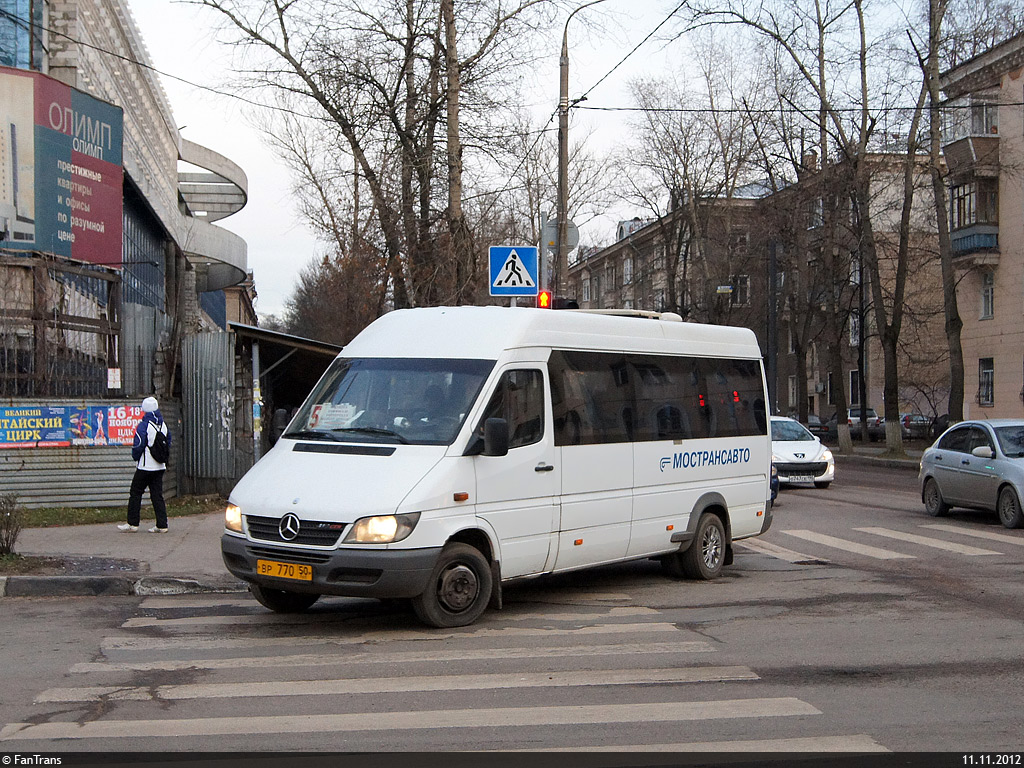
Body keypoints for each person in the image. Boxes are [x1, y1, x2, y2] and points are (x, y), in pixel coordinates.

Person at [117, 396, 171, 533]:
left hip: (145, 466)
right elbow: (168, 442)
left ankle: (132, 523)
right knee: (157, 495)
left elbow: (139, 444)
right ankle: (162, 525)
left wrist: (135, 456)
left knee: (135, 492)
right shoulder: (163, 425)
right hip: (160, 466)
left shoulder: (144, 425)